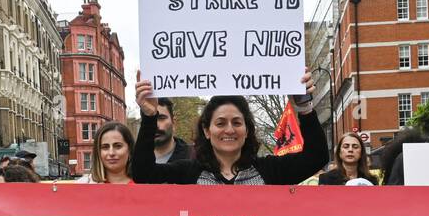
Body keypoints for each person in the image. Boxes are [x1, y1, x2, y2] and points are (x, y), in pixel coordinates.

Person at [131, 71, 326, 184]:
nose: (229, 130)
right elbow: (143, 173)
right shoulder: (188, 172)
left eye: (237, 122)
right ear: (207, 131)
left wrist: (304, 107)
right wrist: (149, 116)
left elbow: (317, 158)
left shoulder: (270, 170)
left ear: (247, 130)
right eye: (220, 123)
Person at [153, 99, 192, 164]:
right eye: (149, 119)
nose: (155, 125)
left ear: (174, 123)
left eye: (161, 118)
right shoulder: (134, 160)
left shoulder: (194, 157)